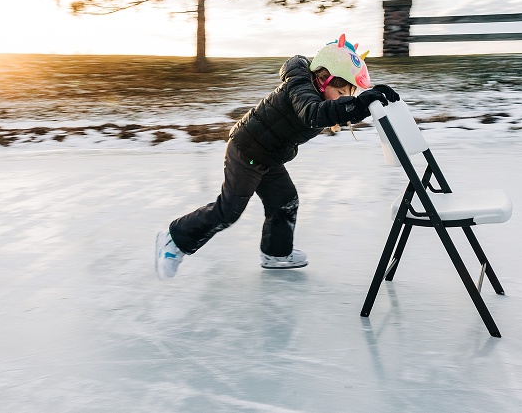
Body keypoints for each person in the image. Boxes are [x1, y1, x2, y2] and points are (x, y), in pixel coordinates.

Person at [155, 34, 400, 280]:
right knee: (229, 210)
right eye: (340, 92)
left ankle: (276, 254)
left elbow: (335, 110)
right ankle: (175, 239)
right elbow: (313, 114)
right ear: (323, 80)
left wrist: (369, 100)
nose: (344, 99)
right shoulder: (301, 86)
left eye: (349, 95)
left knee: (285, 201)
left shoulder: (318, 91)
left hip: (268, 156)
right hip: (247, 150)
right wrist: (356, 106)